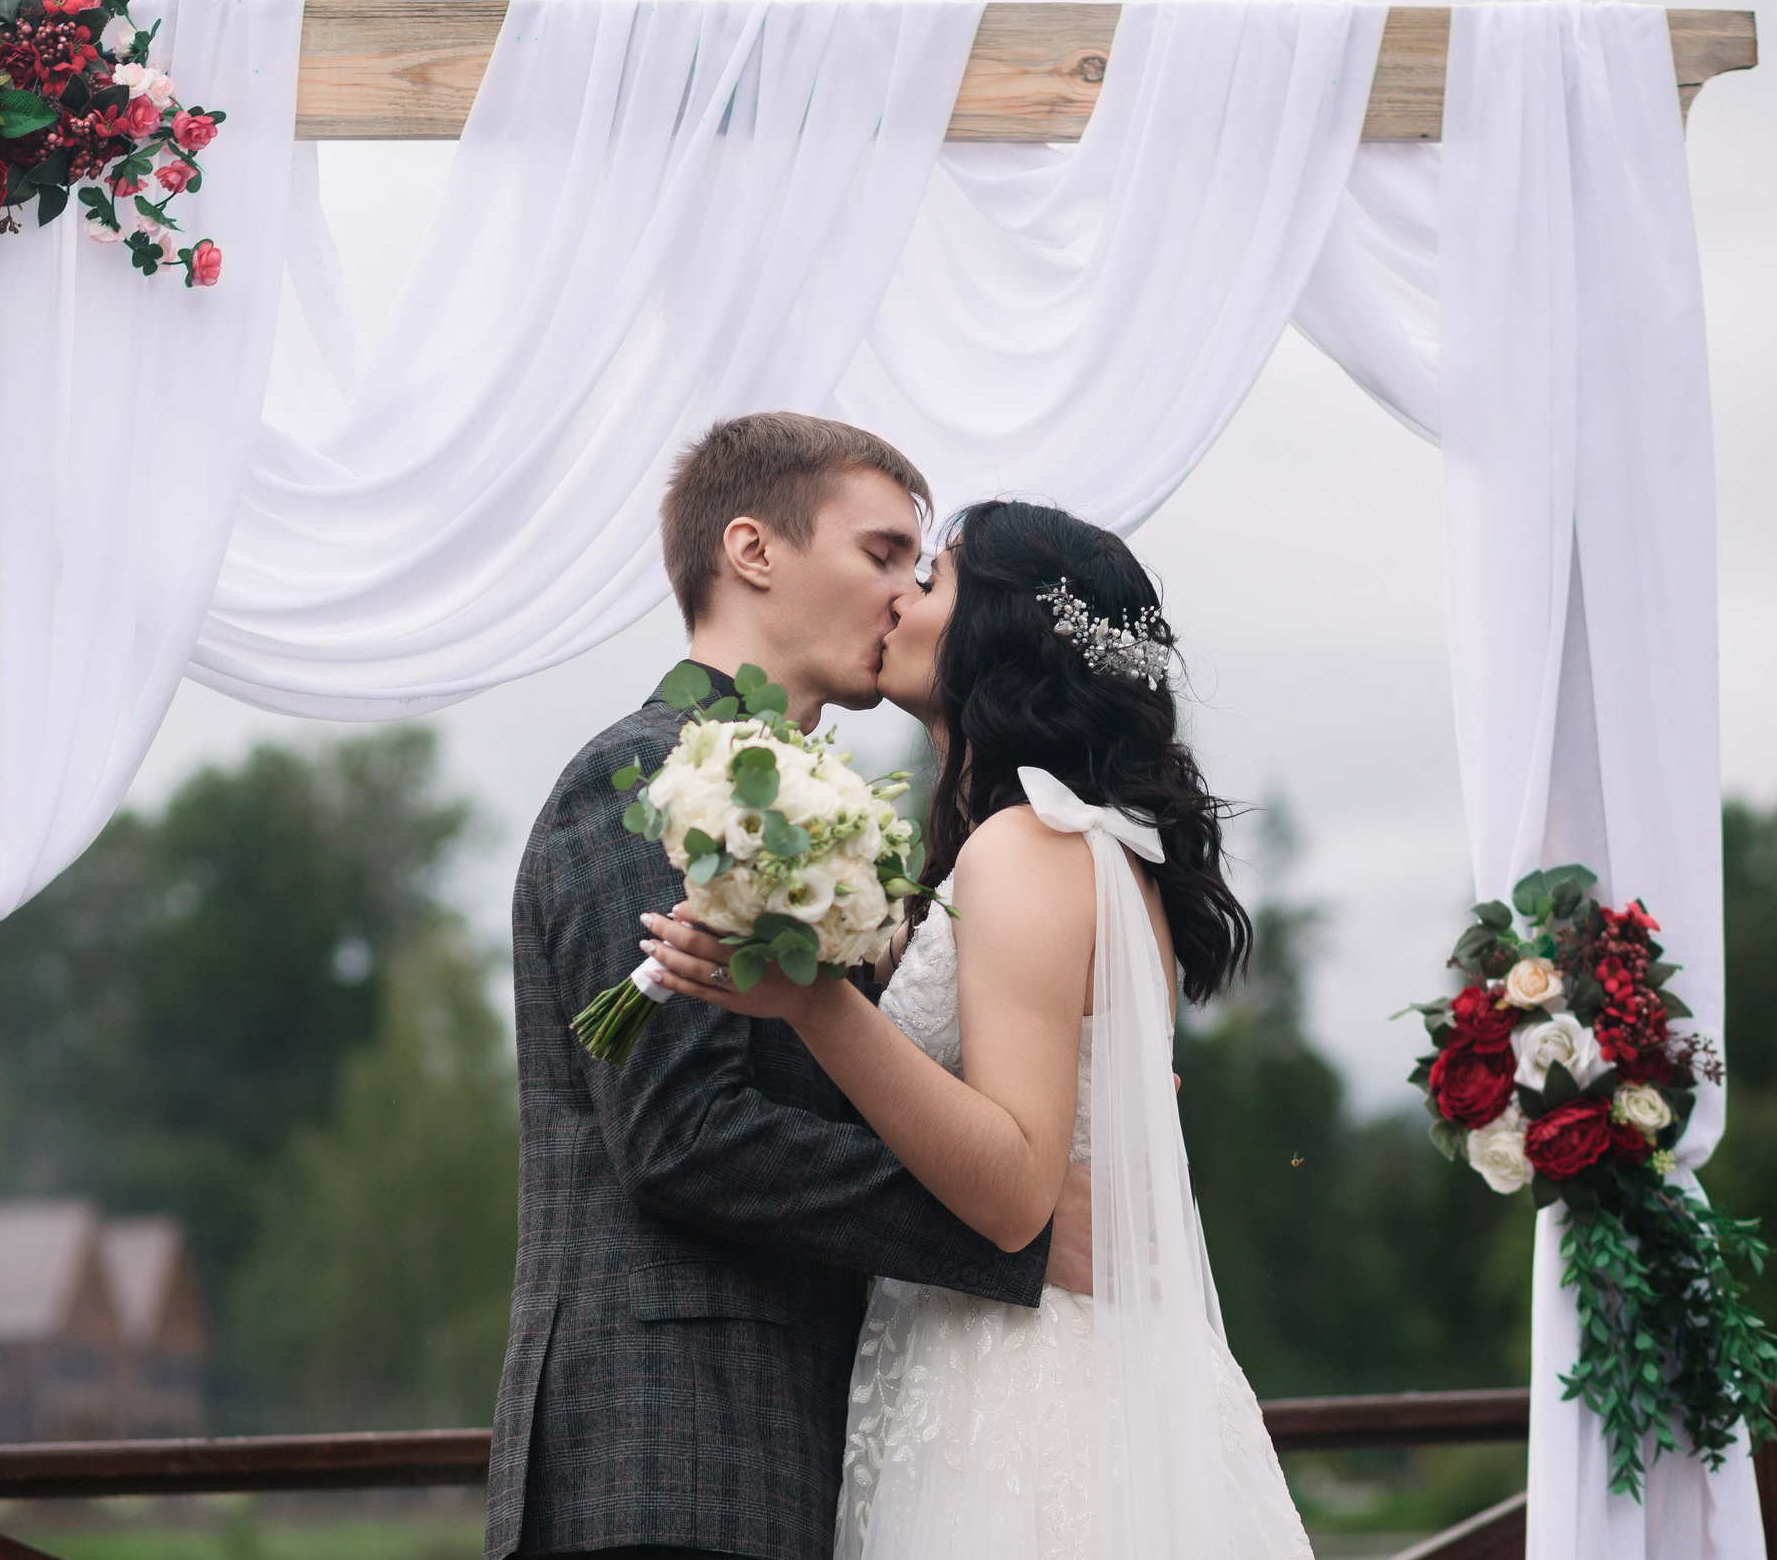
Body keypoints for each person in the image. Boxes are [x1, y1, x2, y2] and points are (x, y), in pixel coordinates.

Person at [644, 498, 1313, 1559]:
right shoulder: (1043, 846)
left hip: (1025, 1392)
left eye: (935, 577)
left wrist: (811, 1002)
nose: (901, 597)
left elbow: (1011, 1192)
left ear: (1000, 632)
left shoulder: (1027, 845)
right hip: (1026, 1362)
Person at [488, 414, 1094, 1560]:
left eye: (920, 571)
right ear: (753, 551)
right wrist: (1017, 1229)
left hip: (799, 1435)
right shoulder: (645, 776)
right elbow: (682, 1133)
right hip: (665, 1450)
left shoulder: (833, 812)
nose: (904, 600)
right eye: (880, 556)